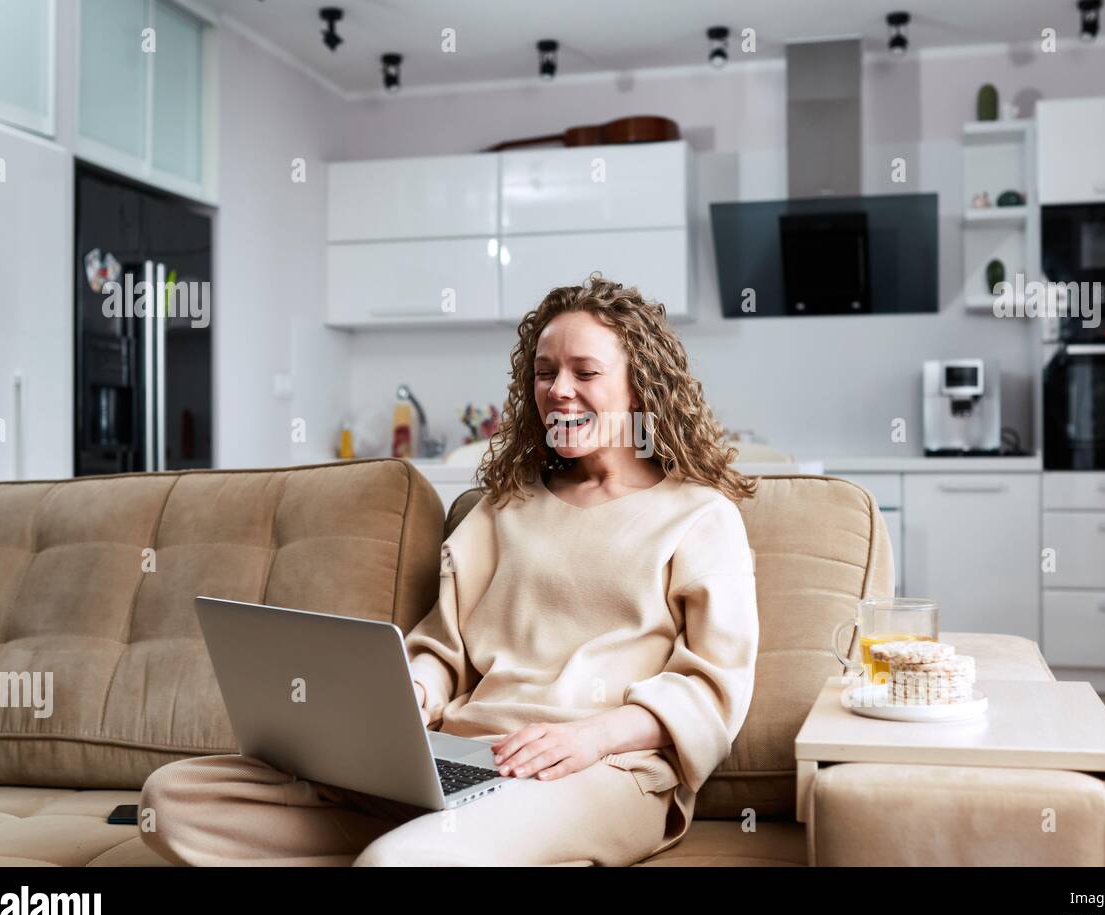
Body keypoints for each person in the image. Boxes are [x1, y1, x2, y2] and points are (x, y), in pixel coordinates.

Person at [139, 273, 761, 866]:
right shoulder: (502, 511)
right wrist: (412, 695)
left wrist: (591, 737)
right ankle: (433, 841)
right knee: (174, 803)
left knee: (401, 860)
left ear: (641, 388)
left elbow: (711, 690)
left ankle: (418, 847)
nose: (559, 390)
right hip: (465, 758)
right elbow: (443, 648)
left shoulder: (699, 516)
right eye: (545, 373)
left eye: (586, 372)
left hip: (601, 771)